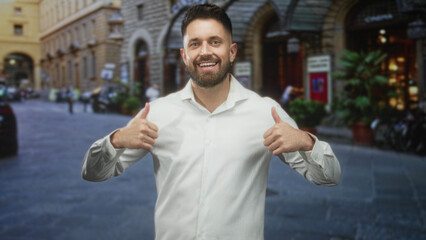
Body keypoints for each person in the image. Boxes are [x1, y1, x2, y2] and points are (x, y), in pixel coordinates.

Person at [82, 4, 341, 240]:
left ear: (232, 51)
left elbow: (329, 177)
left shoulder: (266, 112)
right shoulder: (158, 113)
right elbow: (93, 173)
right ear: (184, 55)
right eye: (195, 44)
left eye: (215, 42)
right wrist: (115, 140)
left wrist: (306, 142)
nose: (205, 52)